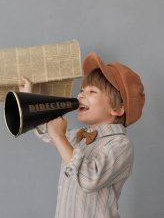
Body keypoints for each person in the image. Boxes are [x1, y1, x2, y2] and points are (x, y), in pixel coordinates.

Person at [18, 52, 145, 218]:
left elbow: (89, 179)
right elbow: (46, 132)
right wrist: (29, 98)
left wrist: (60, 137)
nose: (80, 95)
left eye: (92, 91)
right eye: (81, 90)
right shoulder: (80, 136)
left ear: (118, 109)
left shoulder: (120, 145)